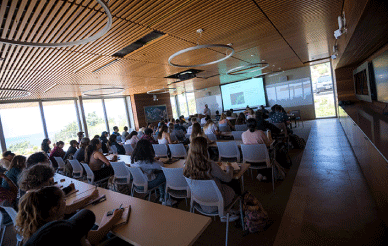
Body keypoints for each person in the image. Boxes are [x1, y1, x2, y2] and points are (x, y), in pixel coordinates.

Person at [16, 186, 122, 246]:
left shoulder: (34, 227)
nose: (66, 203)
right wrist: (113, 219)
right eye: (64, 200)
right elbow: (96, 237)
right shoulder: (60, 231)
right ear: (54, 209)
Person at [183, 137, 239, 218]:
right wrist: (229, 169)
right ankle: (231, 211)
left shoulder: (186, 165)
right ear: (205, 149)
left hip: (200, 201)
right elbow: (227, 178)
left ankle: (228, 211)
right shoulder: (210, 164)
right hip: (217, 202)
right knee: (235, 183)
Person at [18, 164, 99, 213]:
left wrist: (68, 189)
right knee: (86, 213)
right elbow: (68, 209)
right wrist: (90, 197)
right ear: (43, 181)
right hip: (58, 228)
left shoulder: (28, 193)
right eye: (49, 180)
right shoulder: (42, 196)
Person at [131, 139, 175, 206]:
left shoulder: (133, 159)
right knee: (165, 176)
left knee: (159, 175)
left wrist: (153, 160)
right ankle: (165, 199)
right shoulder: (148, 162)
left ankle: (162, 197)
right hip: (146, 184)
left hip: (136, 184)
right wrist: (155, 160)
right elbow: (161, 165)